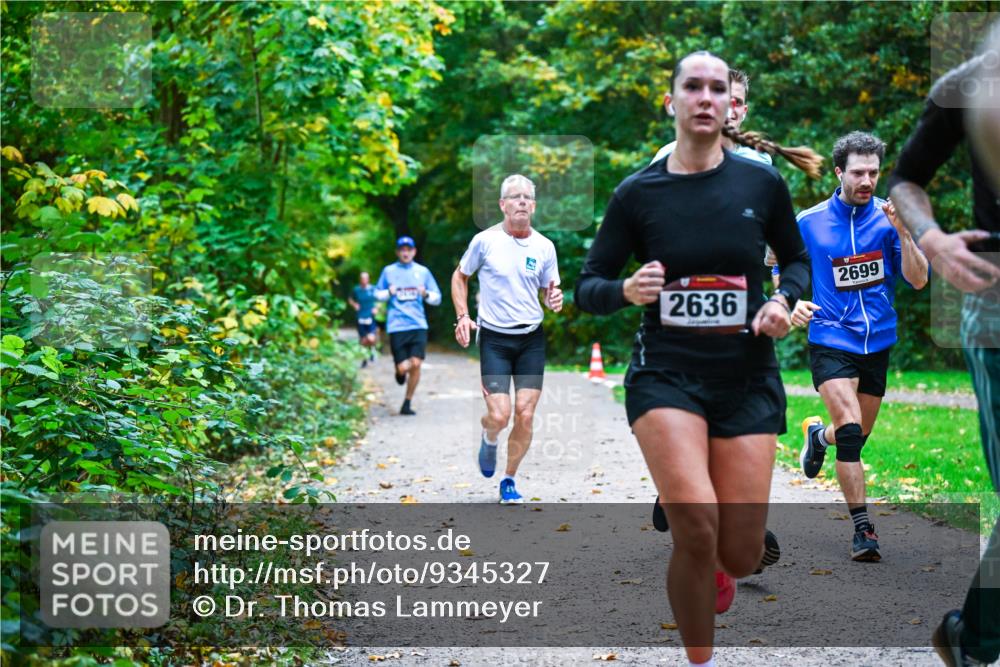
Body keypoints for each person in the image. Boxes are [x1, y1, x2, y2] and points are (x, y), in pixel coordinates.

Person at [575, 51, 812, 667]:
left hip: (747, 377)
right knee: (697, 527)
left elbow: (796, 260)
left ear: (731, 105)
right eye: (692, 86)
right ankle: (699, 659)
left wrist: (782, 301)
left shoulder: (761, 184)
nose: (705, 97)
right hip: (665, 376)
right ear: (671, 101)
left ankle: (722, 565)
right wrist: (626, 290)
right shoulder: (638, 193)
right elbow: (588, 286)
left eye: (716, 88)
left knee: (740, 553)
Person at [888, 47, 1000, 667]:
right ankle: (973, 641)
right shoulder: (976, 81)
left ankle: (973, 639)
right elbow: (906, 177)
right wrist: (931, 239)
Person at [792, 131, 929, 563]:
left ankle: (818, 436)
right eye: (858, 173)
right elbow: (782, 266)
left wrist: (904, 234)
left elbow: (919, 279)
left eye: (873, 172)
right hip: (830, 337)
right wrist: (790, 301)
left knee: (856, 435)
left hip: (878, 342)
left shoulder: (890, 219)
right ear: (839, 172)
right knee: (850, 434)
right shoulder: (809, 222)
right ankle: (863, 530)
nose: (867, 180)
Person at [451, 174, 563, 504]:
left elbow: (549, 290)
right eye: (515, 196)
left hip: (531, 340)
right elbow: (460, 276)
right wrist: (463, 316)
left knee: (525, 414)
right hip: (495, 340)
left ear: (534, 206)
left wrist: (554, 299)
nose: (522, 201)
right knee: (499, 416)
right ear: (503, 205)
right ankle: (489, 437)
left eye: (527, 197)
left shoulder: (544, 247)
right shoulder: (485, 241)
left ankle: (509, 479)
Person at [375, 237, 442, 416]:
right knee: (403, 367)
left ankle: (407, 402)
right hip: (397, 326)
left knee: (416, 363)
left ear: (414, 252)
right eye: (402, 250)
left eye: (408, 249)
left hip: (418, 324)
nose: (405, 253)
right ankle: (399, 373)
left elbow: (437, 298)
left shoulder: (423, 272)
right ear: (397, 252)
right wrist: (388, 292)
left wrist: (425, 294)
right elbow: (377, 294)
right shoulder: (389, 271)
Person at [651, 68, 772, 166]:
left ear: (744, 111)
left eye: (738, 102)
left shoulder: (759, 160)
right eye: (724, 100)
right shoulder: (668, 156)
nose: (730, 108)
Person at [348, 271, 378, 367]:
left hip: (370, 316)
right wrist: (354, 305)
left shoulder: (373, 289)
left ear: (368, 279)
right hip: (360, 317)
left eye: (366, 278)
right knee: (363, 340)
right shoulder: (356, 290)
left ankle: (372, 350)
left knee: (371, 338)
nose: (364, 280)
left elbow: (380, 300)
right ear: (360, 280)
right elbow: (350, 299)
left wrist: (376, 308)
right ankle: (365, 359)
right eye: (362, 278)